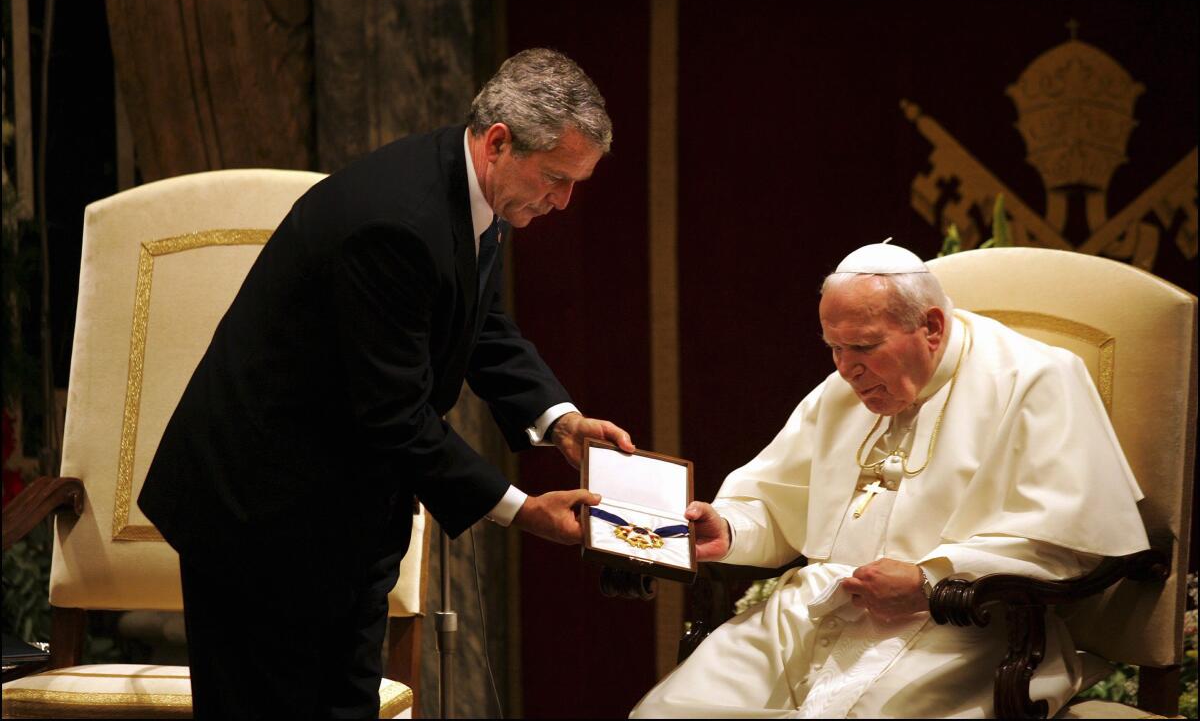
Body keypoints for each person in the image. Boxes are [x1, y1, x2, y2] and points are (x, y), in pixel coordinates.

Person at [138, 48, 633, 718]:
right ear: (498, 143)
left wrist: (558, 420)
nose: (564, 201)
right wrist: (522, 510)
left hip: (349, 518)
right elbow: (394, 416)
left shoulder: (478, 192)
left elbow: (476, 321)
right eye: (556, 178)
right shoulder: (397, 224)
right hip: (260, 520)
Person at [632, 241, 1148, 718]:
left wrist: (930, 579)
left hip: (963, 626)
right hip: (817, 605)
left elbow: (1066, 543)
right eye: (834, 348)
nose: (846, 370)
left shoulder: (1035, 380)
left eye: (863, 346)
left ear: (931, 327)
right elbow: (776, 502)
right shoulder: (841, 391)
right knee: (669, 709)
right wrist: (731, 527)